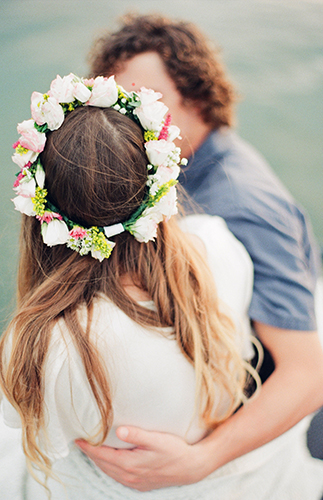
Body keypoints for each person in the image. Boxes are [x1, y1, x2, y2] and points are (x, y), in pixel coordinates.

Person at [65, 13, 323, 492]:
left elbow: (308, 375)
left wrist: (202, 459)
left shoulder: (242, 205)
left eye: (143, 101)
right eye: (118, 103)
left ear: (197, 96)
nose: (126, 121)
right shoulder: (187, 160)